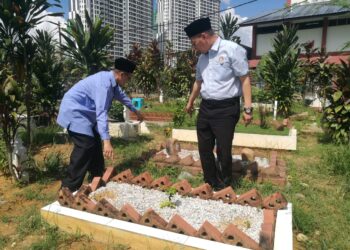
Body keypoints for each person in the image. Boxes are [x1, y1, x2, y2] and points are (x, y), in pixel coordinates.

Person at [184, 17, 252, 191]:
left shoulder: (231, 49)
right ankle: (210, 181)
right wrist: (190, 102)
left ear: (204, 36)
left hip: (226, 108)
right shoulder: (202, 59)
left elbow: (244, 79)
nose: (194, 47)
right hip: (206, 107)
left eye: (194, 42)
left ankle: (225, 185)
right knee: (204, 147)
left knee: (223, 149)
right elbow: (198, 82)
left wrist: (248, 109)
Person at [57, 58, 143, 192]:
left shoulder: (112, 83)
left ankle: (97, 177)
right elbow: (101, 113)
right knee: (85, 146)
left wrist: (135, 110)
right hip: (75, 112)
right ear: (121, 75)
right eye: (128, 77)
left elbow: (122, 96)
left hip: (85, 114)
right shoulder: (103, 85)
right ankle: (67, 189)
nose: (128, 81)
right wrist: (107, 141)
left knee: (95, 142)